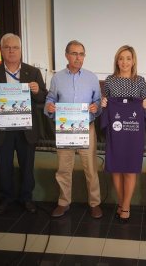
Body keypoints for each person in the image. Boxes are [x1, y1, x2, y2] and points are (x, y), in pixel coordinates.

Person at [0, 33, 47, 215]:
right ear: (1, 50)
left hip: (26, 128)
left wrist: (36, 91)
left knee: (27, 166)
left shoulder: (33, 72)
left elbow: (42, 97)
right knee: (4, 165)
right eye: (7, 47)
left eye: (15, 47)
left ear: (21, 50)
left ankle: (26, 198)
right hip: (2, 128)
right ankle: (6, 198)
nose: (11, 51)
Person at [45, 40, 103, 219]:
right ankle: (63, 202)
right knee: (63, 168)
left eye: (81, 54)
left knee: (91, 169)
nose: (78, 57)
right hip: (65, 130)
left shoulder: (92, 77)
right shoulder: (57, 78)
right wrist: (49, 106)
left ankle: (94, 203)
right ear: (66, 55)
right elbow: (51, 98)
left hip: (86, 128)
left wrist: (96, 107)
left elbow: (99, 101)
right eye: (74, 53)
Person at [100, 45, 146, 223]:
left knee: (129, 170)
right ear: (116, 61)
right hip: (116, 131)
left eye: (128, 58)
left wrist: (145, 105)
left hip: (133, 133)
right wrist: (103, 103)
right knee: (116, 170)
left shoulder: (140, 81)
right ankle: (122, 203)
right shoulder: (110, 81)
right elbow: (103, 106)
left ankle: (126, 206)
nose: (124, 62)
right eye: (121, 58)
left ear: (133, 60)